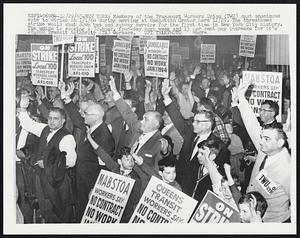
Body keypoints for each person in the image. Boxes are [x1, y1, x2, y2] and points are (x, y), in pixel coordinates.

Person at [161, 78, 230, 201]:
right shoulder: (190, 134)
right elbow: (177, 119)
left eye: (198, 122)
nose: (193, 124)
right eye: (194, 120)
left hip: (198, 194)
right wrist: (166, 96)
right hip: (180, 186)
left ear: (209, 124)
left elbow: (217, 178)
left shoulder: (219, 146)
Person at [236, 78, 291, 223]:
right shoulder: (266, 149)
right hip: (251, 216)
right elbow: (252, 123)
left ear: (280, 143)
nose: (260, 141)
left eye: (266, 139)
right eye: (261, 137)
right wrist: (241, 97)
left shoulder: (288, 168)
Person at [59, 81, 115, 222]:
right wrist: (66, 98)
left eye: (86, 113)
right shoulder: (91, 127)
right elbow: (77, 118)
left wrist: (96, 188)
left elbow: (105, 165)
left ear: (96, 116)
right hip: (82, 179)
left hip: (90, 184)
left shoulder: (104, 135)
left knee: (87, 217)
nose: (83, 115)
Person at [17, 95, 77, 223]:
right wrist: (22, 108)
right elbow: (28, 124)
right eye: (50, 118)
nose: (52, 121)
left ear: (63, 121)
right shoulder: (45, 129)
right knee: (45, 211)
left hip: (57, 183)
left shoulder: (66, 137)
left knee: (58, 214)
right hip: (41, 178)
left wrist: (48, 163)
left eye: (56, 119)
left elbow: (70, 162)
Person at [109, 76, 163, 192]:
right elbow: (127, 112)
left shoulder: (159, 143)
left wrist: (142, 164)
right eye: (142, 118)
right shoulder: (139, 126)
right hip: (124, 181)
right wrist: (115, 92)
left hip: (141, 188)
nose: (141, 121)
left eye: (146, 119)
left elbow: (158, 175)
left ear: (155, 124)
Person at [86, 132, 141, 223]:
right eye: (127, 159)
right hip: (110, 212)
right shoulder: (115, 167)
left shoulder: (136, 178)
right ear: (119, 161)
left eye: (132, 159)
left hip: (124, 217)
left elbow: (135, 201)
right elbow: (102, 154)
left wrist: (129, 186)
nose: (131, 162)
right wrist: (90, 138)